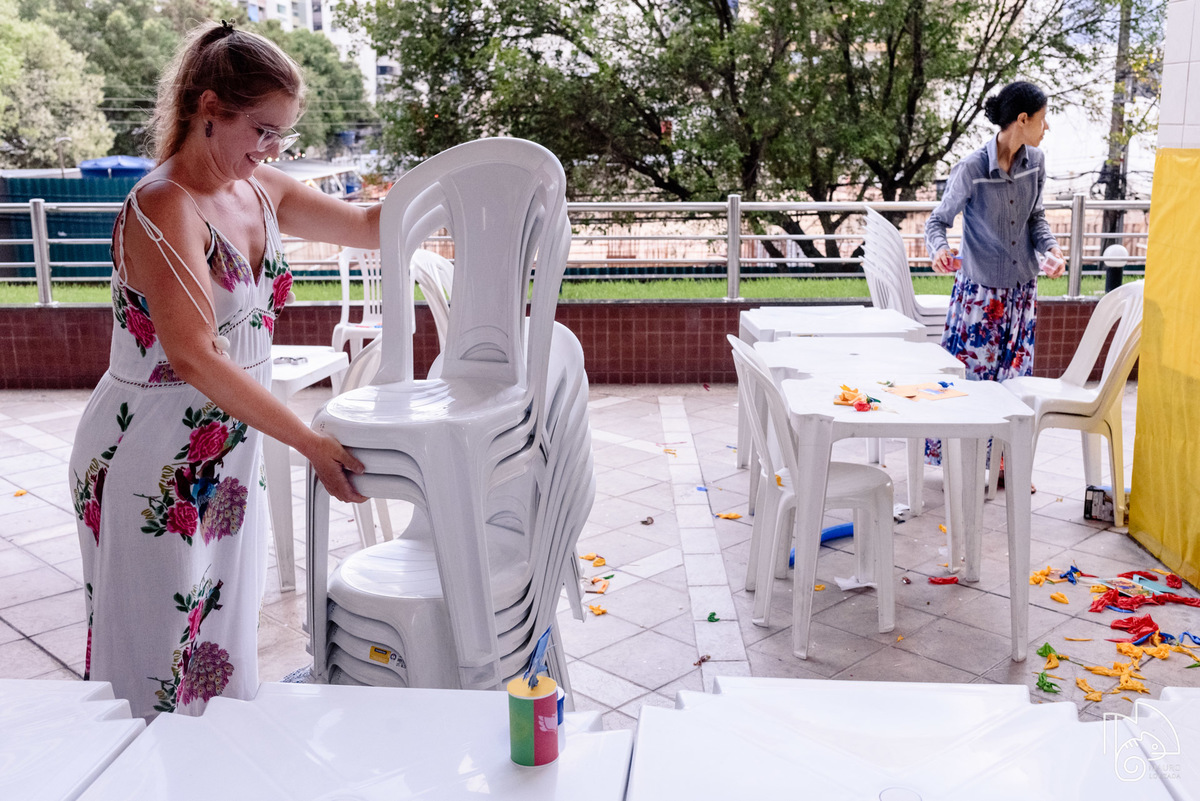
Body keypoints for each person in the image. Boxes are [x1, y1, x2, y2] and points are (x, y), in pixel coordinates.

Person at [67, 20, 374, 718]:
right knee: (155, 664)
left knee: (219, 652)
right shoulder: (163, 204)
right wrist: (311, 442)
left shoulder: (259, 187)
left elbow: (367, 226)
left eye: (283, 136)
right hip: (152, 451)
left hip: (224, 449)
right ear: (209, 108)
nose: (272, 150)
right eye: (262, 131)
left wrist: (464, 179)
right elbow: (196, 354)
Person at [924, 80, 1064, 475]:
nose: (1045, 127)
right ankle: (962, 462)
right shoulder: (971, 169)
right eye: (1042, 119)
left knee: (1014, 383)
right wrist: (939, 250)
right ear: (1022, 120)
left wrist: (1050, 250)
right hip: (981, 299)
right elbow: (937, 221)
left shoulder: (1035, 162)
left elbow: (1036, 219)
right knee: (973, 382)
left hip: (1022, 296)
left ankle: (1004, 466)